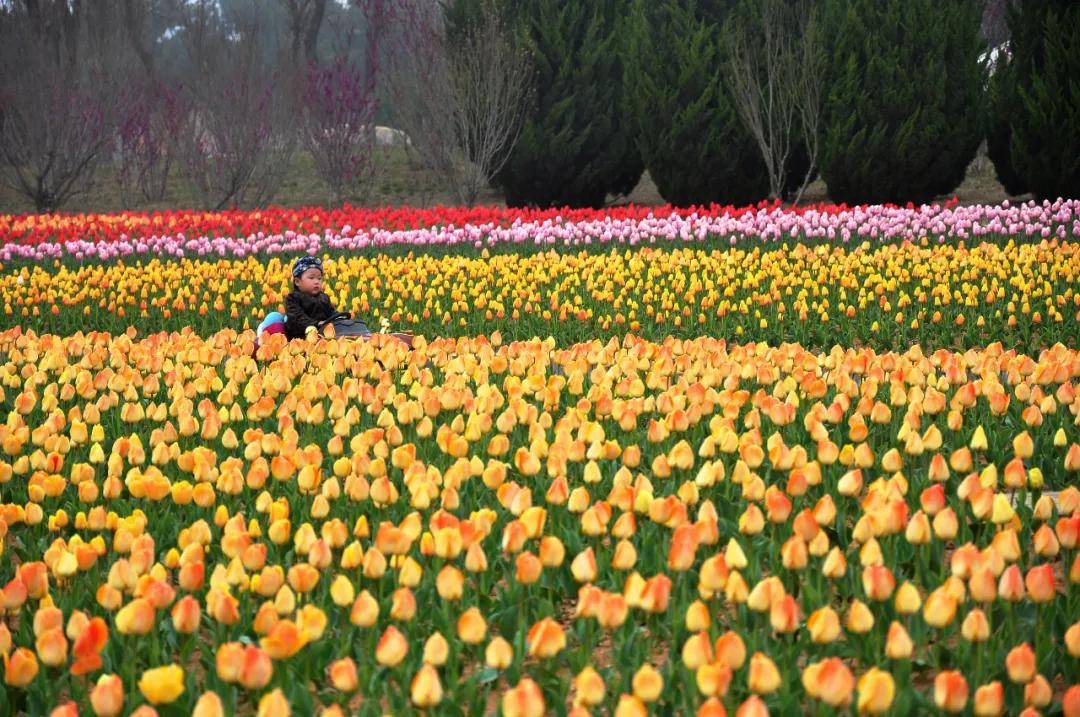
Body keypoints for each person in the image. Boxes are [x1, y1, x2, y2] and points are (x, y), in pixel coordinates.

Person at [284, 256, 343, 340]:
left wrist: (339, 318)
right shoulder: (293, 298)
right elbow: (298, 318)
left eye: (319, 278)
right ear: (297, 281)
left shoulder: (324, 297)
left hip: (323, 334)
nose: (316, 282)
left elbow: (331, 312)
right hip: (301, 337)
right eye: (311, 278)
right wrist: (316, 324)